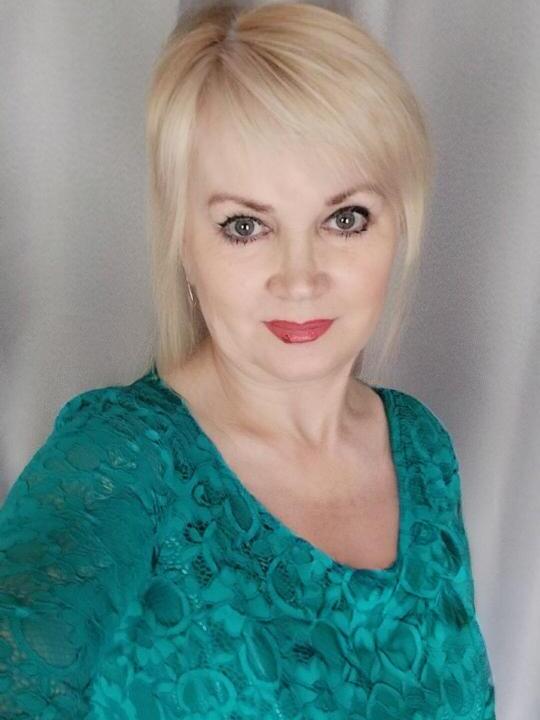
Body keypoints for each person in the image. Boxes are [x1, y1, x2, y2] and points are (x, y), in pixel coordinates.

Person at [0, 2, 496, 718]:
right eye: (244, 225)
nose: (299, 278)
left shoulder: (421, 448)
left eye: (345, 218)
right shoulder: (122, 458)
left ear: (401, 224)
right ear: (184, 243)